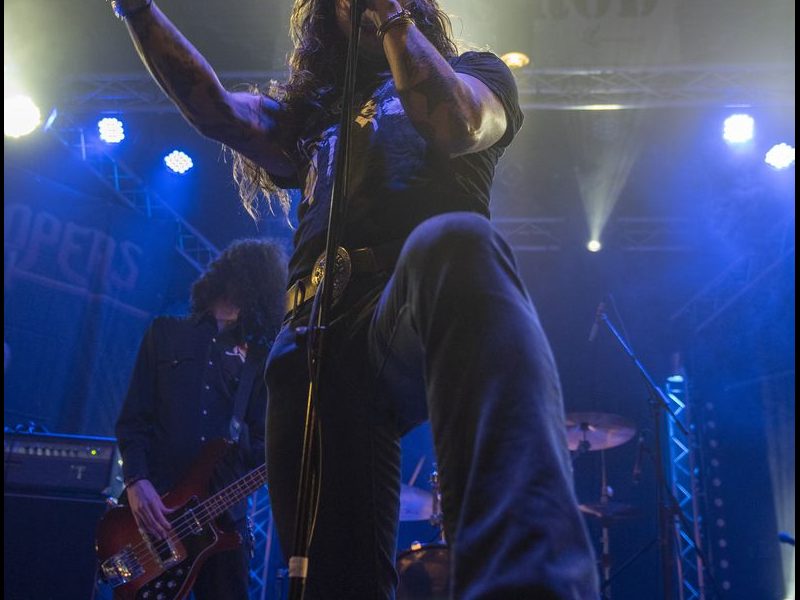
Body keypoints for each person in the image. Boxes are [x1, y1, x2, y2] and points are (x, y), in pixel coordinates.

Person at [110, 0, 600, 598]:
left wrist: (389, 15)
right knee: (336, 581)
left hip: (406, 305)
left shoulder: (477, 71)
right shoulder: (311, 115)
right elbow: (216, 109)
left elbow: (460, 123)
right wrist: (137, 9)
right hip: (314, 340)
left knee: (458, 241)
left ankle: (528, 577)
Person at [115, 239, 287, 600]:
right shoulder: (166, 333)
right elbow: (133, 420)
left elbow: (260, 447)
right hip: (155, 510)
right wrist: (136, 480)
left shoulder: (260, 360)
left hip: (223, 523)